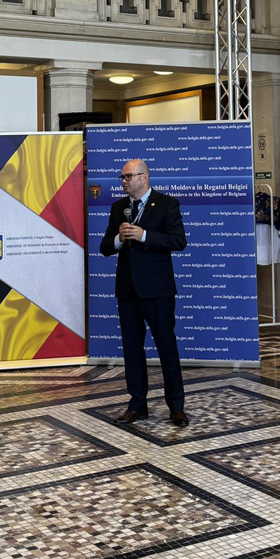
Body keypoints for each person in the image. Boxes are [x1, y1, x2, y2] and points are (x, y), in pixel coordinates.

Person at [100, 159, 189, 427]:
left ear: (144, 177)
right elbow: (105, 247)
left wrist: (144, 236)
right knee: (132, 348)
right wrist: (119, 239)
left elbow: (178, 241)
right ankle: (137, 404)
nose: (124, 181)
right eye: (122, 177)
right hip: (127, 290)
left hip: (158, 290)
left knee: (166, 347)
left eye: (129, 176)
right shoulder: (119, 208)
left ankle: (176, 407)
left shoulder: (166, 204)